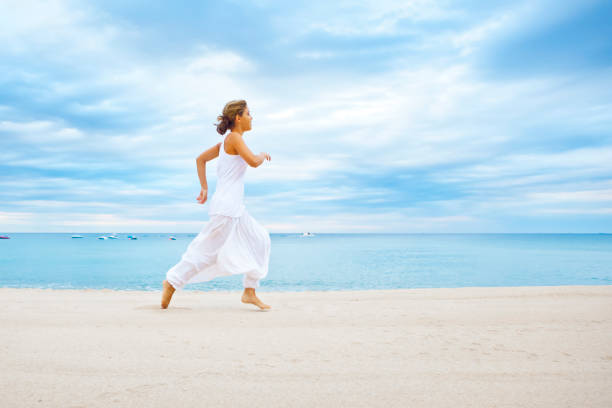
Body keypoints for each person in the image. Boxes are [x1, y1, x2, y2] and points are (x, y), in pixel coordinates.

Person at [161, 99, 272, 310]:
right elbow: (254, 162)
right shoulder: (234, 138)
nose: (251, 117)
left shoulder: (226, 143)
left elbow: (200, 159)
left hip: (235, 209)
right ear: (238, 118)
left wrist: (204, 188)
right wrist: (262, 154)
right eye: (249, 114)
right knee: (206, 252)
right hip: (227, 209)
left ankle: (250, 291)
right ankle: (172, 282)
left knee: (261, 239)